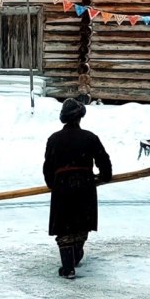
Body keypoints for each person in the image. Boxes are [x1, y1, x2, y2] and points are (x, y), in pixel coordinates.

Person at [42, 97, 112, 279]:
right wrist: (104, 177)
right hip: (85, 184)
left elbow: (48, 166)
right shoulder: (90, 137)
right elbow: (104, 160)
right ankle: (75, 256)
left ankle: (68, 266)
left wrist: (52, 184)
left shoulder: (54, 139)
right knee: (82, 222)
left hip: (63, 186)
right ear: (80, 117)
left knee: (65, 227)